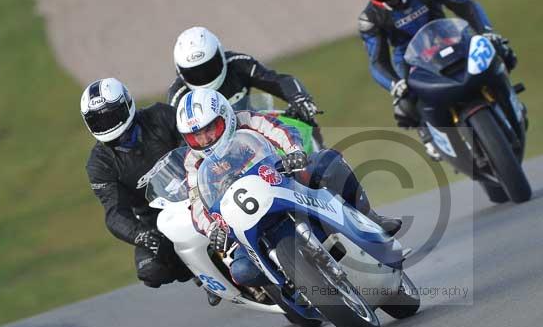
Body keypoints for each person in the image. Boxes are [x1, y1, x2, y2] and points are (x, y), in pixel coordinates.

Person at [176, 89, 402, 300]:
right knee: (242, 270)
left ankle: (370, 218)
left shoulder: (246, 120)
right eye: (196, 136)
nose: (205, 140)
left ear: (225, 116)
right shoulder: (192, 161)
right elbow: (196, 203)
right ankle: (287, 291)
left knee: (327, 162)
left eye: (209, 129)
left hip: (282, 183)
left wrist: (294, 151)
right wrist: (211, 228)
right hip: (243, 216)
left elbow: (280, 130)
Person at [356, 0, 518, 159]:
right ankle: (427, 134)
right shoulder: (369, 19)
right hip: (409, 59)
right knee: (405, 99)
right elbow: (377, 61)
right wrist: (395, 84)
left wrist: (486, 31)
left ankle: (510, 101)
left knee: (497, 49)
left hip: (451, 38)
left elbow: (466, 6)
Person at [82, 78, 192, 289]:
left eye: (111, 116)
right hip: (156, 218)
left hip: (197, 190)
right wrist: (140, 235)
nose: (108, 125)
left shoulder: (161, 115)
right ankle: (200, 275)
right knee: (151, 271)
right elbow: (114, 212)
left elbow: (195, 145)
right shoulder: (99, 164)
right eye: (99, 121)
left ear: (126, 105)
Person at [167, 26, 323, 145]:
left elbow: (277, 81)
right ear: (180, 72)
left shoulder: (238, 63)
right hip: (216, 151)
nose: (202, 76)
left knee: (305, 125)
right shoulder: (178, 95)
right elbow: (177, 139)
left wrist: (299, 97)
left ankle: (325, 166)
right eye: (193, 73)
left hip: (256, 130)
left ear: (220, 54)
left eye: (208, 68)